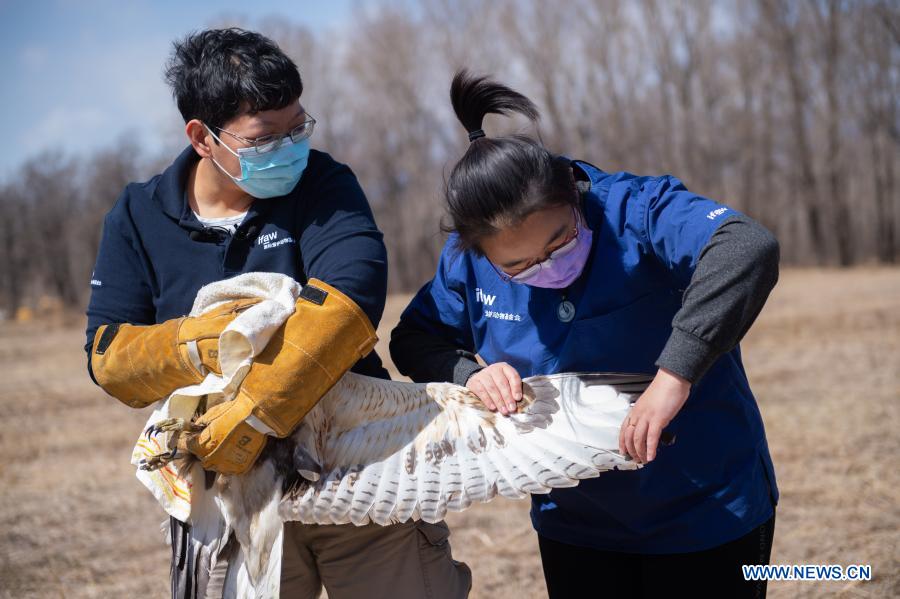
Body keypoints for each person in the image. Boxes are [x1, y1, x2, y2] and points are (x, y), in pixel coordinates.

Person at [84, 28, 470, 599]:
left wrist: (254, 412)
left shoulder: (324, 184)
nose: (290, 149)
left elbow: (348, 304)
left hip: (357, 462)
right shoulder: (139, 216)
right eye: (265, 138)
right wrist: (200, 344)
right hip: (224, 495)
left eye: (298, 127)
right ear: (202, 137)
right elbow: (109, 355)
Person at [390, 70, 780, 597]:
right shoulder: (464, 263)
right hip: (576, 522)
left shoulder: (635, 211)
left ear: (572, 193)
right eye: (520, 265)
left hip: (706, 508)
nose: (547, 267)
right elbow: (415, 338)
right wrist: (467, 375)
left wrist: (674, 375)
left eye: (560, 241)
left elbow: (745, 247)